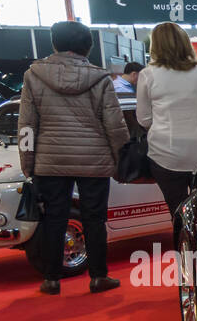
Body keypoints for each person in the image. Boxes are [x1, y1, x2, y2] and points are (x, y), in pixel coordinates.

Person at [17, 20, 128, 295]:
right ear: (87, 46)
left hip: (50, 159)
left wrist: (27, 161)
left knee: (54, 218)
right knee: (94, 218)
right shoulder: (101, 78)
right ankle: (98, 277)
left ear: (54, 44)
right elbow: (115, 125)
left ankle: (51, 279)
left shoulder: (33, 75)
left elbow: (27, 125)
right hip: (94, 159)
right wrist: (121, 158)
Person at [137, 21, 197, 232]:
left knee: (178, 212)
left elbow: (144, 119)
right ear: (185, 43)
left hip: (165, 154)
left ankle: (187, 258)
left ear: (155, 46)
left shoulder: (148, 74)